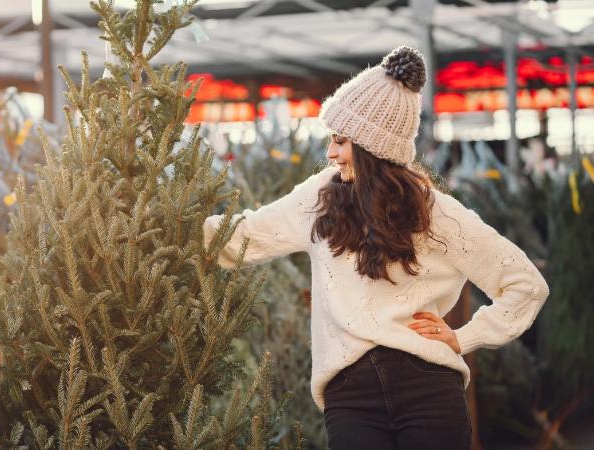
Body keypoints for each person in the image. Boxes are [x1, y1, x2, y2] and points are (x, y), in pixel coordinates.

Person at [201, 46, 550, 450]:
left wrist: (464, 337)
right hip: (351, 398)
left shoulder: (436, 213)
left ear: (372, 147)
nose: (330, 153)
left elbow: (526, 285)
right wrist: (170, 229)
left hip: (429, 392)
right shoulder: (319, 198)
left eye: (341, 141)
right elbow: (246, 235)